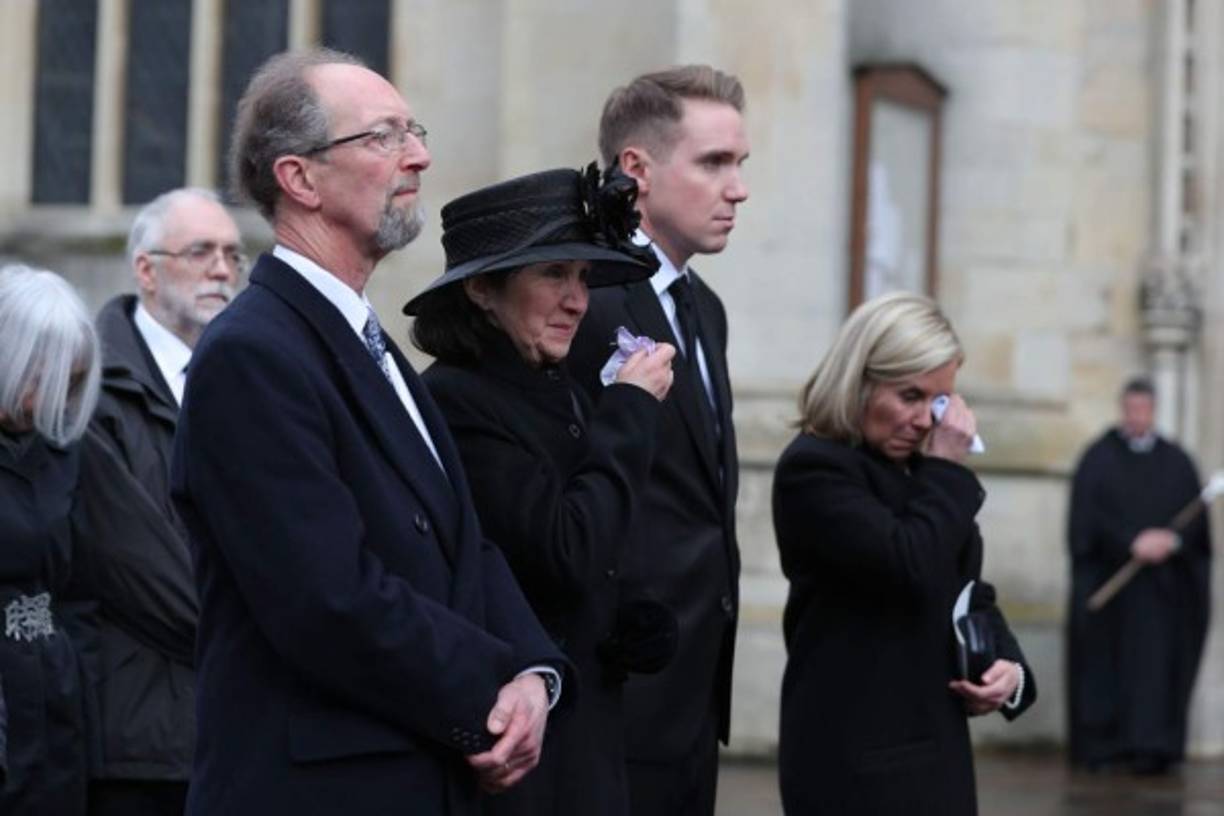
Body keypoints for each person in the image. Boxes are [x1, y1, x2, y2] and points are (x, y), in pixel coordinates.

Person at [169, 47, 567, 815]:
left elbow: (464, 545)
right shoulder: (252, 354)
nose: (417, 155)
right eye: (382, 137)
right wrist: (489, 688)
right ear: (299, 179)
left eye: (411, 130)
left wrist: (533, 674)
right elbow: (327, 598)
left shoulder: (368, 341)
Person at [409, 166, 676, 815]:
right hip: (522, 750)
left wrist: (631, 618)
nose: (577, 300)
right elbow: (563, 551)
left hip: (588, 740)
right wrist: (633, 409)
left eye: (584, 278)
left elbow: (600, 544)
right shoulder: (459, 398)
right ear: (482, 288)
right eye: (553, 274)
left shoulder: (563, 391)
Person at [772, 292, 1037, 815]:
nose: (924, 421)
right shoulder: (817, 469)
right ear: (861, 382)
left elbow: (966, 591)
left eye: (938, 403)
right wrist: (948, 471)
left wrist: (1008, 669)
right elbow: (908, 564)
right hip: (856, 764)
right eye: (909, 396)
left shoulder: (920, 471)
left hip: (933, 752)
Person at [566, 64, 749, 816]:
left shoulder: (703, 306)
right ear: (636, 170)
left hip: (694, 691)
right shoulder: (583, 296)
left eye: (741, 165)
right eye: (714, 163)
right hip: (612, 690)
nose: (737, 189)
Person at [74, 187, 243, 816]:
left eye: (232, 253)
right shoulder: (93, 385)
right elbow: (138, 567)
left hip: (237, 729)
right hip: (139, 737)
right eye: (200, 252)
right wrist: (277, 634)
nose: (222, 270)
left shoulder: (249, 381)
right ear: (146, 269)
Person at [1067, 377, 1211, 774]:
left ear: (1153, 410)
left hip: (1163, 600)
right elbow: (1084, 524)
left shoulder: (1177, 461)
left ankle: (1154, 748)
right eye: (1131, 409)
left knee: (1155, 674)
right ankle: (1105, 748)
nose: (1137, 417)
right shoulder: (1097, 459)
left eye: (1144, 410)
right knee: (1105, 671)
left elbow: (1198, 532)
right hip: (1112, 596)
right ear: (1122, 408)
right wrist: (1131, 542)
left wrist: (1172, 542)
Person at [0, 264, 102, 815]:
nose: (56, 395)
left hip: (54, 705)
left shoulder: (60, 453)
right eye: (45, 375)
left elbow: (79, 593)